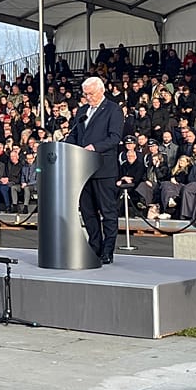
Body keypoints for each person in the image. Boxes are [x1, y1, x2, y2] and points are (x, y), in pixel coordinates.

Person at [65, 76, 124, 266]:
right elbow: (75, 134)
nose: (87, 97)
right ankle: (94, 245)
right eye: (85, 94)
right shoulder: (82, 111)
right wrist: (65, 146)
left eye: (90, 93)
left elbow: (114, 138)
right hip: (83, 170)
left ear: (101, 90)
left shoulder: (113, 110)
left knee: (107, 212)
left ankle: (108, 250)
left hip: (103, 168)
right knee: (88, 212)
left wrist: (94, 147)